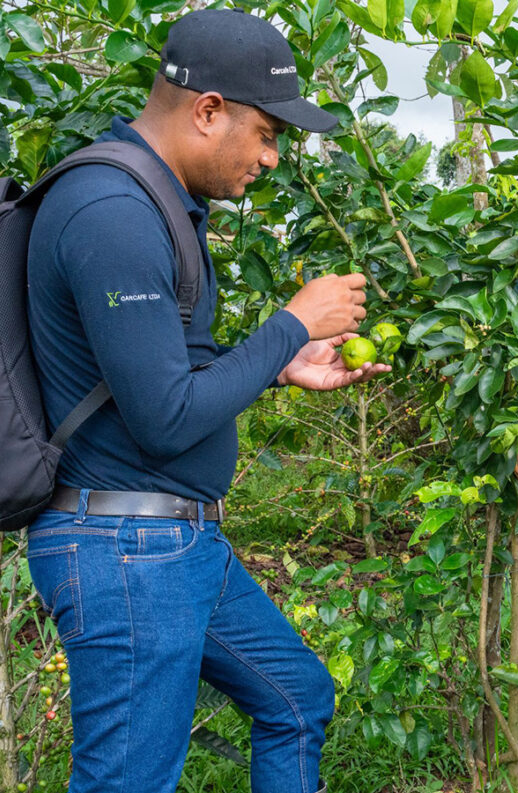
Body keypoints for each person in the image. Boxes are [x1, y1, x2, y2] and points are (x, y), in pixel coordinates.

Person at [25, 9, 387, 793]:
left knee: (296, 697)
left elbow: (162, 374)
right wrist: (291, 322)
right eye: (264, 132)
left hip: (172, 542)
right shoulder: (112, 212)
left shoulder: (151, 202)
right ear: (208, 109)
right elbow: (164, 418)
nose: (271, 157)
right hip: (125, 548)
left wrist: (280, 363)